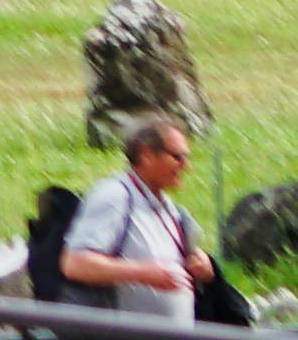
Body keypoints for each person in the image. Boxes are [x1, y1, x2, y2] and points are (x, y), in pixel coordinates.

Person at [66, 120, 214, 326]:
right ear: (146, 154)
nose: (186, 167)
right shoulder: (114, 196)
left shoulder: (167, 204)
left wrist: (201, 265)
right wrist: (143, 273)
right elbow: (75, 263)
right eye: (177, 157)